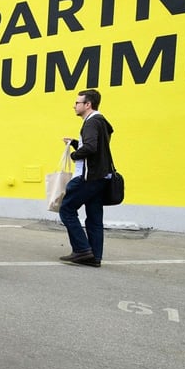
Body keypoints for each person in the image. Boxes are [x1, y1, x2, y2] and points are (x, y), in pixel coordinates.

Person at [58, 89, 115, 268]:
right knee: (94, 217)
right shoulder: (102, 121)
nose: (74, 106)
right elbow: (98, 144)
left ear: (87, 104)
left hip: (88, 176)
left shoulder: (91, 122)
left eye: (77, 103)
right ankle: (94, 257)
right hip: (102, 176)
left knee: (66, 209)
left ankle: (82, 250)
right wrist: (75, 143)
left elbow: (91, 147)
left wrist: (75, 155)